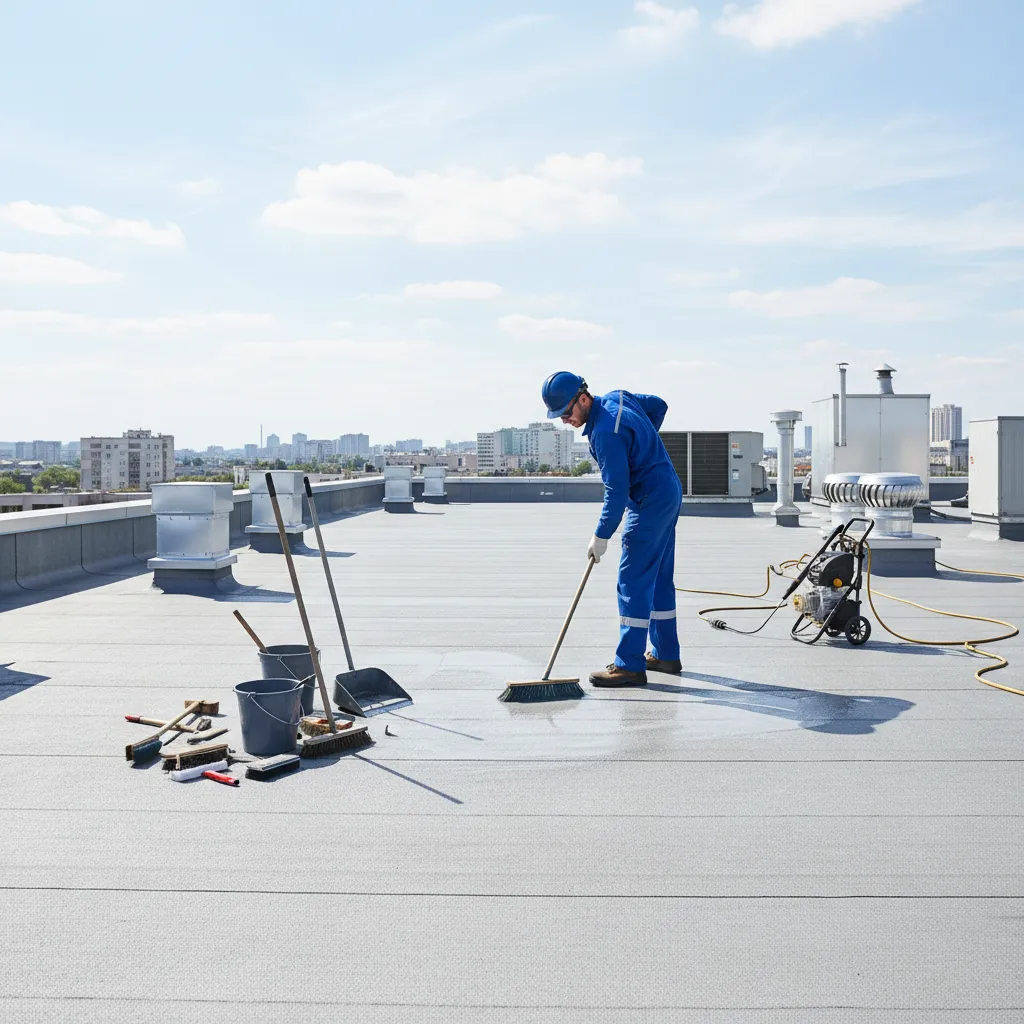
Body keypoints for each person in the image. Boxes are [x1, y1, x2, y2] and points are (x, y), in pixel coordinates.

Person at [542, 371, 683, 687]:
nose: (564, 420)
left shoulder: (605, 433)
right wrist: (643, 444)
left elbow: (616, 491)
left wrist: (601, 535)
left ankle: (629, 665)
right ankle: (665, 655)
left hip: (647, 500)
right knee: (659, 578)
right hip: (668, 491)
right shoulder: (618, 397)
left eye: (566, 412)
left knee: (632, 581)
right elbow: (658, 405)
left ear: (582, 398)